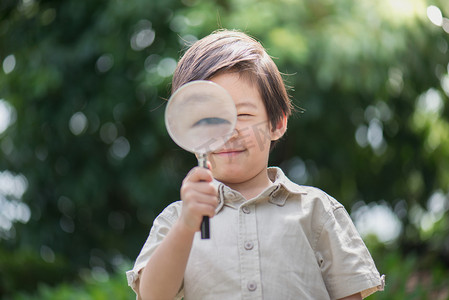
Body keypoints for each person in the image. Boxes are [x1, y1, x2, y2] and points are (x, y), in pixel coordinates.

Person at [126, 29, 385, 300]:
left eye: (244, 114)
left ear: (277, 123)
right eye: (208, 118)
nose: (228, 131)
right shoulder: (176, 221)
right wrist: (187, 225)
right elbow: (153, 296)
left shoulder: (317, 211)